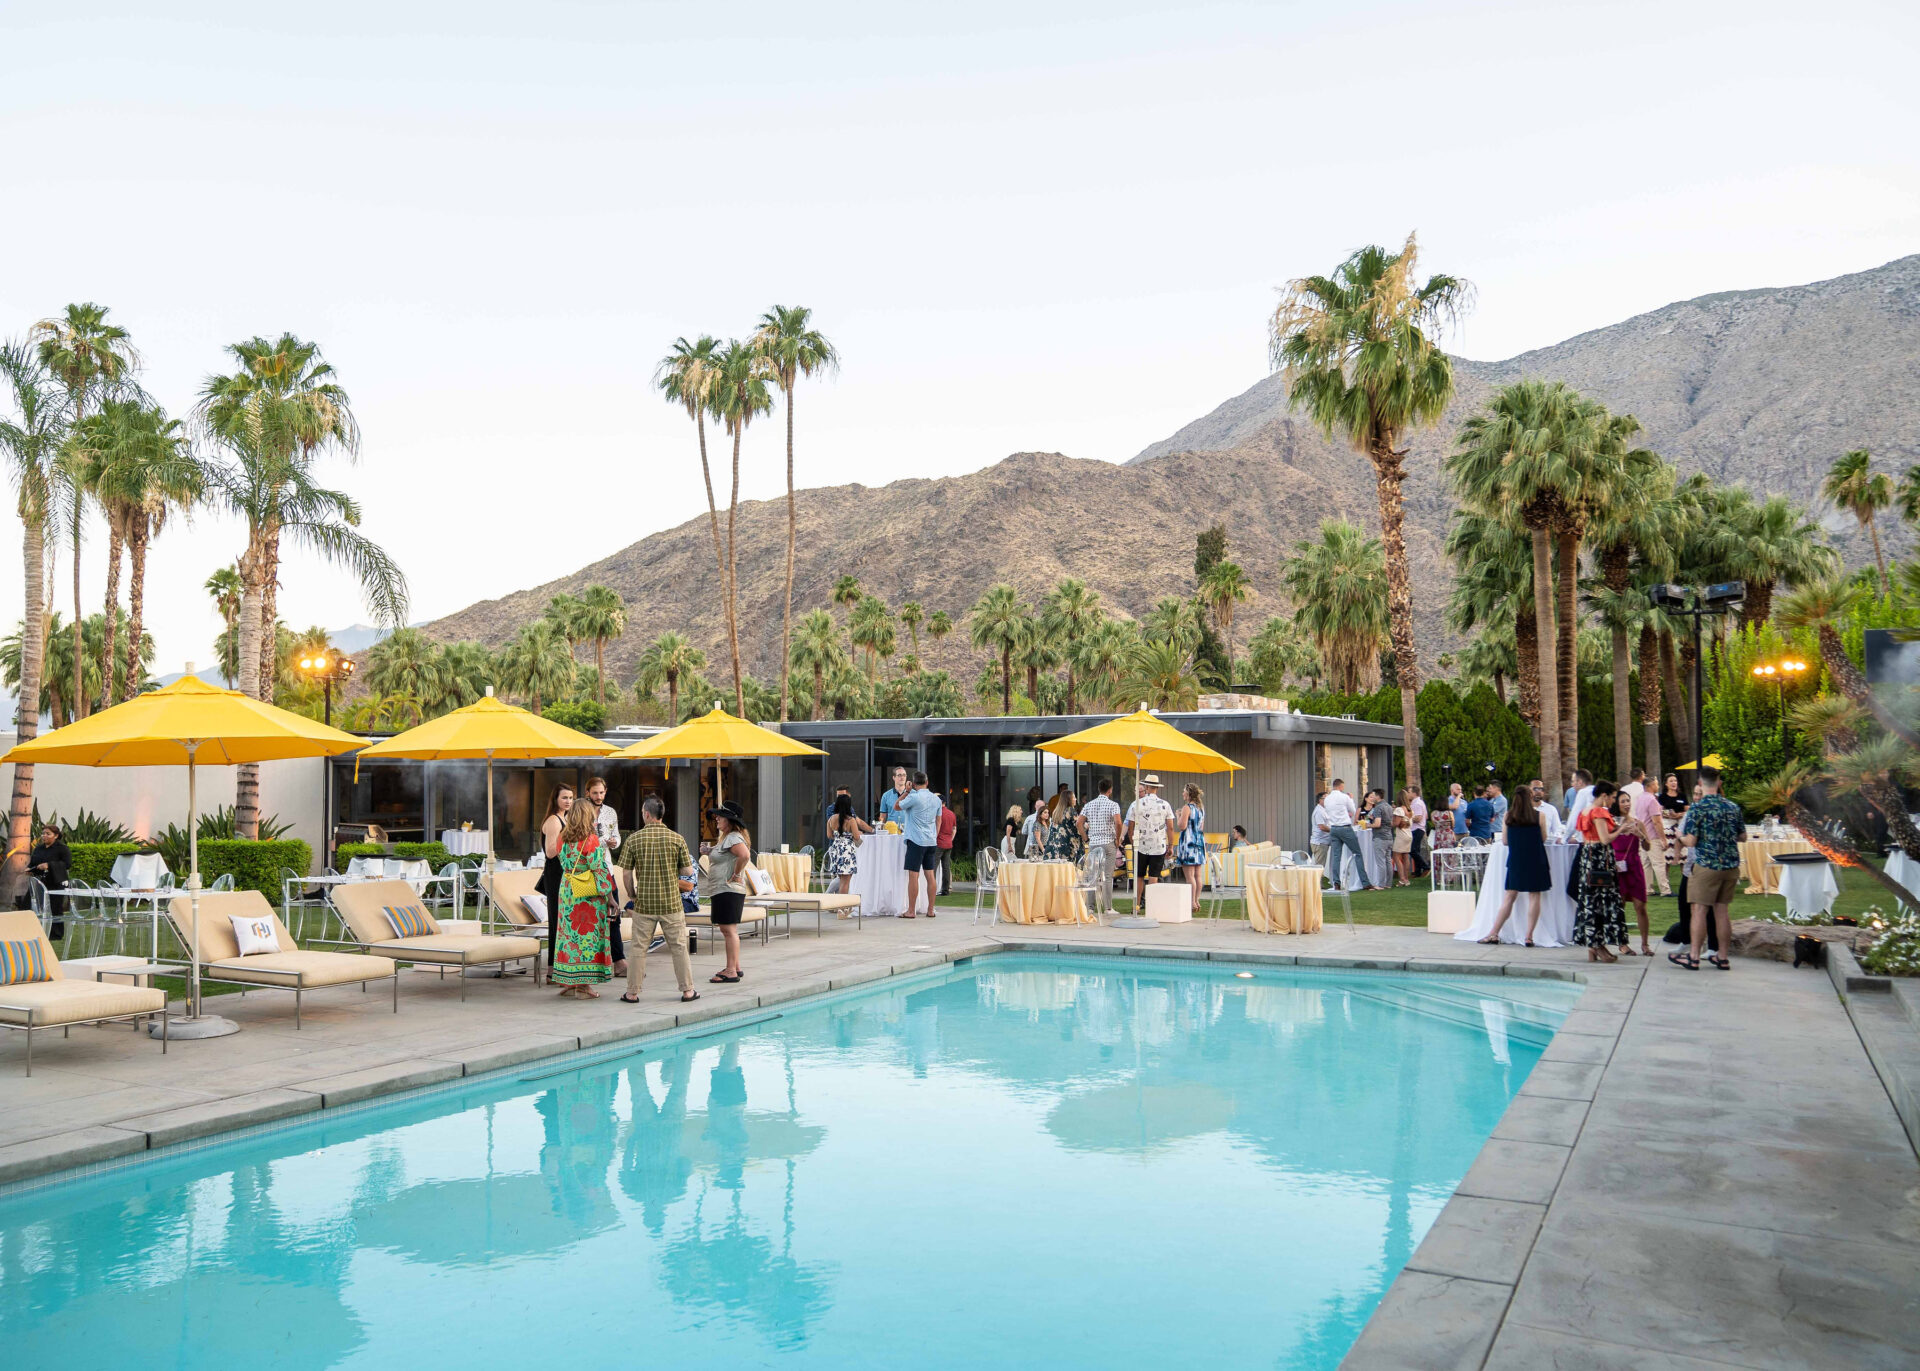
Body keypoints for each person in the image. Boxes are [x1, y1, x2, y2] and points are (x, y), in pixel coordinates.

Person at [614, 796, 699, 1004]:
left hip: (645, 903)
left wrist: (632, 893)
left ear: (646, 814)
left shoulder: (634, 839)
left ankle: (632, 993)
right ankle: (688, 991)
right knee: (679, 947)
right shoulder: (676, 838)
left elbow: (626, 873)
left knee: (638, 948)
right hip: (671, 902)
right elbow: (688, 870)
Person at [1676, 766, 1743, 971]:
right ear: (1719, 782)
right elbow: (1743, 836)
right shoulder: (1733, 807)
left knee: (1699, 910)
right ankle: (1722, 957)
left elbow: (1691, 841)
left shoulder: (1698, 808)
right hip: (1730, 865)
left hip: (1706, 865)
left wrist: (1678, 836)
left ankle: (1694, 956)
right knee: (1722, 911)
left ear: (1700, 784)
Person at [552, 797, 615, 998]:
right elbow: (599, 869)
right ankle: (584, 986)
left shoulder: (562, 837)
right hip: (587, 894)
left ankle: (570, 982)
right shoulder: (590, 839)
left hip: (568, 889)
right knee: (587, 938)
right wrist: (610, 896)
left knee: (569, 936)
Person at [1480, 783, 1550, 945]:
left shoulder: (1508, 816)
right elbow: (1544, 838)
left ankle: (1494, 933)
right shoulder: (1539, 816)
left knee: (1509, 897)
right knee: (1535, 896)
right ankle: (1529, 936)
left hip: (1517, 859)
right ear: (1529, 797)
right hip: (1536, 859)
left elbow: (1504, 841)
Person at [1572, 779, 1624, 963]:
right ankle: (1596, 945)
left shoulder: (1585, 811)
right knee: (1601, 900)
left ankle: (1593, 947)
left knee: (1590, 900)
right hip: (1599, 858)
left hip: (1588, 856)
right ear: (1604, 796)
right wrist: (1622, 829)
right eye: (1612, 798)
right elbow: (1605, 839)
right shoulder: (1599, 812)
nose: (1612, 802)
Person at [700, 801, 752, 983]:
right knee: (729, 929)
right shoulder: (728, 838)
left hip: (727, 889)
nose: (716, 819)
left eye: (720, 817)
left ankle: (730, 970)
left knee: (728, 929)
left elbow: (744, 855)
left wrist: (736, 874)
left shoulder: (733, 837)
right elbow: (726, 855)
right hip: (724, 890)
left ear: (729, 820)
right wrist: (709, 851)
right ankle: (735, 966)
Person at [583, 776, 626, 976]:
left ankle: (619, 961)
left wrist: (614, 843)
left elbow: (616, 836)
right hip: (587, 870)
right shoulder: (581, 811)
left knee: (613, 913)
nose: (598, 796)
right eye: (594, 793)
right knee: (589, 916)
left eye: (601, 792)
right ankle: (591, 962)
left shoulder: (610, 812)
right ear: (587, 793)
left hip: (607, 867)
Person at [1611, 787, 1656, 957]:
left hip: (1634, 865)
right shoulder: (1611, 823)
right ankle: (1622, 943)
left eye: (1628, 801)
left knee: (1641, 906)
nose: (1626, 804)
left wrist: (1641, 836)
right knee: (1619, 905)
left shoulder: (1638, 822)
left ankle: (1645, 944)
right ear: (1617, 804)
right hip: (1617, 865)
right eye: (1623, 801)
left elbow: (1648, 846)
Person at [895, 770, 944, 918]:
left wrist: (906, 792)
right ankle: (930, 909)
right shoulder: (936, 799)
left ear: (914, 784)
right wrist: (934, 835)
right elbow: (939, 820)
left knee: (913, 876)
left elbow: (896, 806)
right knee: (930, 875)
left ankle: (911, 910)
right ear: (927, 783)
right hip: (931, 841)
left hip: (916, 841)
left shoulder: (914, 797)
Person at [1121, 774, 1176, 904]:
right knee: (1154, 877)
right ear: (1157, 788)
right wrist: (1171, 845)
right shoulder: (1165, 805)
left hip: (1140, 846)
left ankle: (1137, 904)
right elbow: (1170, 828)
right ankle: (1152, 905)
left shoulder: (1136, 804)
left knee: (1139, 876)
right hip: (1159, 846)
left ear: (1145, 787)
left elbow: (1130, 827)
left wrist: (1133, 841)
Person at [538, 784, 575, 969]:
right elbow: (551, 852)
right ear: (556, 799)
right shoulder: (554, 820)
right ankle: (553, 969)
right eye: (564, 798)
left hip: (565, 872)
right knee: (557, 919)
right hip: (555, 873)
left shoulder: (565, 818)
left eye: (570, 797)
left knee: (565, 919)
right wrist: (570, 839)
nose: (568, 801)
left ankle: (562, 964)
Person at [1322, 779, 1376, 891]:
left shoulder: (1327, 799)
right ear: (1341, 786)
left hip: (1333, 828)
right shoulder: (1344, 797)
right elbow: (1352, 810)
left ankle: (1336, 883)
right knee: (1357, 854)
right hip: (1345, 828)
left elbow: (1328, 813)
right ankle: (1365, 882)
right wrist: (1350, 799)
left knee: (1337, 856)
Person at [1080, 779, 1122, 917]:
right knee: (1108, 876)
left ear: (1099, 789)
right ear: (1110, 790)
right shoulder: (1113, 805)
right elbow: (1118, 822)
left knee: (1092, 876)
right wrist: (1117, 837)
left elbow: (1079, 822)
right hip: (1108, 842)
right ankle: (1108, 908)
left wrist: (1086, 838)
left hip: (1094, 843)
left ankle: (1090, 907)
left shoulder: (1089, 804)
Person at [821, 792, 870, 894]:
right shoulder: (850, 820)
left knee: (841, 879)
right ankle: (842, 908)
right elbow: (856, 836)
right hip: (847, 851)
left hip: (836, 850)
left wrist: (840, 836)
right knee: (846, 882)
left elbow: (829, 835)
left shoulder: (831, 819)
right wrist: (850, 835)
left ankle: (839, 906)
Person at [27, 823, 69, 939]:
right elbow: (33, 863)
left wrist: (49, 865)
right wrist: (29, 869)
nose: (44, 836)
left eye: (48, 834)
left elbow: (67, 864)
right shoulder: (39, 848)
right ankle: (36, 931)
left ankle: (56, 934)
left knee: (56, 908)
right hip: (40, 882)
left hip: (56, 881)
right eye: (43, 833)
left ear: (55, 836)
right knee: (34, 906)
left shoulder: (62, 848)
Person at [1632, 779, 1673, 898]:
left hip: (1642, 836)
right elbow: (1657, 822)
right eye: (1656, 783)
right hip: (1652, 837)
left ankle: (1648, 888)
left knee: (1646, 864)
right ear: (1650, 785)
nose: (1658, 785)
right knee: (1659, 863)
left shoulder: (1639, 799)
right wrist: (1663, 839)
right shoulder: (1652, 800)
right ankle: (1665, 890)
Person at [1173, 783, 1207, 903]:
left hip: (1188, 843)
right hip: (1199, 842)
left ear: (1188, 794)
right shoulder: (1200, 808)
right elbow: (1201, 827)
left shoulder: (1187, 808)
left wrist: (1178, 815)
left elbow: (1182, 826)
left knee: (1190, 876)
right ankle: (1197, 900)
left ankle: (1191, 902)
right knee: (1198, 875)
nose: (1182, 794)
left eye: (1184, 792)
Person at [1042, 789, 1086, 864]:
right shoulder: (1070, 810)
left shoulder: (1056, 811)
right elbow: (1078, 826)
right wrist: (1085, 826)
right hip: (1068, 846)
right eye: (1074, 797)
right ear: (1069, 799)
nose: (1076, 799)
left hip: (1055, 846)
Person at [1366, 789, 1394, 887]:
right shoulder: (1389, 807)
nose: (1372, 798)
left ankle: (1381, 884)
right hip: (1389, 837)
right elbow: (1391, 823)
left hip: (1380, 837)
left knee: (1381, 862)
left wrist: (1368, 825)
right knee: (1388, 861)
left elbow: (1377, 824)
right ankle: (1388, 884)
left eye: (1373, 796)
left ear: (1378, 796)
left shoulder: (1378, 807)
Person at [936, 795, 959, 896]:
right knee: (946, 867)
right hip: (948, 843)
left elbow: (936, 826)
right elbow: (954, 828)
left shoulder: (937, 813)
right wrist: (950, 839)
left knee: (932, 867)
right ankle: (945, 890)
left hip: (938, 843)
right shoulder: (951, 814)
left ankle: (930, 889)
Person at [1390, 790, 1414, 886]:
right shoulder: (1410, 810)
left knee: (1396, 856)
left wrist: (1387, 823)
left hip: (1401, 835)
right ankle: (1406, 879)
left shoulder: (1399, 810)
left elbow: (1396, 823)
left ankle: (1402, 879)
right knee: (1405, 856)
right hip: (1408, 834)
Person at [1408, 785, 1429, 877]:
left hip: (1417, 828)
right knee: (1416, 849)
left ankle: (1425, 867)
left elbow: (1419, 818)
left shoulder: (1417, 804)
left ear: (1414, 793)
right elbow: (1426, 816)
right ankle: (1417, 871)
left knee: (1412, 850)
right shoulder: (1419, 802)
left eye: (1409, 792)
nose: (1408, 794)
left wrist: (1408, 818)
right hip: (1418, 828)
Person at [1309, 792, 1333, 868]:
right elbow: (1321, 827)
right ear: (1320, 800)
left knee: (1320, 866)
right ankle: (1317, 880)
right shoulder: (1319, 811)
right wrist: (1333, 830)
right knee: (1319, 867)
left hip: (1323, 842)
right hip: (1320, 843)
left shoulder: (1324, 810)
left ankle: (1319, 879)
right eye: (1326, 798)